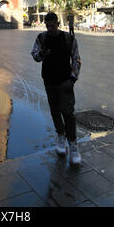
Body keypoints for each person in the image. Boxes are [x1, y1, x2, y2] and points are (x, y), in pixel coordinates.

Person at [31, 12, 82, 165]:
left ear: (57, 23)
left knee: (68, 112)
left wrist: (73, 78)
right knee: (54, 111)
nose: (50, 26)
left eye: (52, 23)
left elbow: (76, 58)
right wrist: (42, 54)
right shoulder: (41, 38)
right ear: (45, 24)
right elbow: (34, 56)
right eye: (47, 24)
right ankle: (61, 136)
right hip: (49, 81)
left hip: (65, 81)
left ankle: (73, 145)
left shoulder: (68, 38)